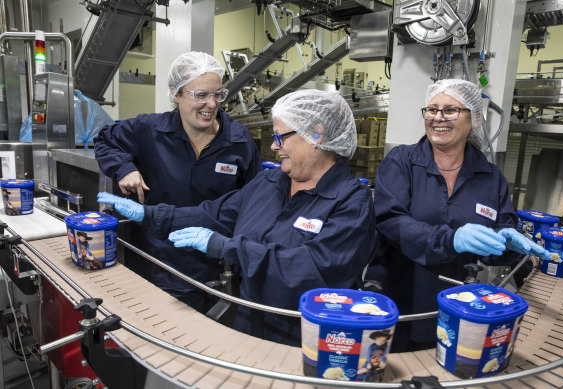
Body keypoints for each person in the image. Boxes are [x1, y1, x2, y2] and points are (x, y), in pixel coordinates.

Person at [97, 89, 376, 346]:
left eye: (281, 137)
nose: (274, 147)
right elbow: (213, 214)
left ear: (317, 135)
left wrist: (228, 247)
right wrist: (150, 214)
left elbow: (312, 269)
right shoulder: (270, 182)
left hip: (308, 338)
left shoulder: (351, 202)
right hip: (249, 323)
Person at [367, 79, 550, 352]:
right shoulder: (401, 161)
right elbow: (391, 221)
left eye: (450, 110)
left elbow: (498, 236)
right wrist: (451, 240)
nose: (438, 118)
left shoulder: (490, 177)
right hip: (395, 297)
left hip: (455, 303)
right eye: (431, 110)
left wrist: (506, 243)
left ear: (475, 118)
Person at [93, 51, 261, 312]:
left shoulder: (239, 141)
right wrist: (124, 168)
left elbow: (253, 202)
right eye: (200, 95)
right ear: (177, 94)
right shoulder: (150, 130)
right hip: (165, 263)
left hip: (221, 263)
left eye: (217, 94)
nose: (211, 104)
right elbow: (105, 139)